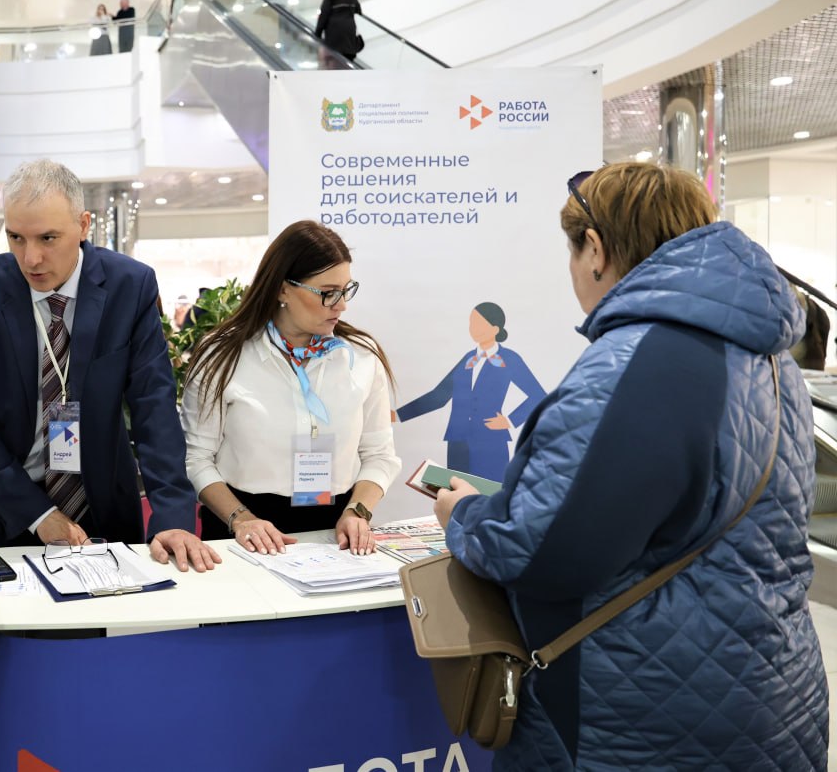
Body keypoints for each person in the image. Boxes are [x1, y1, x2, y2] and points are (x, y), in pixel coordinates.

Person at [433, 163, 828, 769]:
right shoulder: (769, 359)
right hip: (772, 684)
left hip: (644, 714)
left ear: (595, 250)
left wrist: (463, 515)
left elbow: (540, 553)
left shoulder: (634, 364)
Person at [0, 159, 218, 572]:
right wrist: (38, 514)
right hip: (5, 510)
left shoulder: (129, 286)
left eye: (48, 238)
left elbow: (153, 405)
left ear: (83, 225)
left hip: (103, 507)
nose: (30, 258)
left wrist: (173, 517)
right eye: (16, 237)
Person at [182, 220, 400, 555]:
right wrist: (241, 519)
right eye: (328, 292)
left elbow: (379, 455)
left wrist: (358, 511)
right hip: (241, 531)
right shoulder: (222, 356)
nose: (341, 305)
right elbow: (197, 458)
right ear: (283, 289)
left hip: (334, 532)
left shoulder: (361, 356)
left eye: (347, 290)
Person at [396, 302, 546, 482]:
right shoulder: (468, 359)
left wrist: (510, 420)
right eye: (471, 323)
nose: (473, 328)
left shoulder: (509, 359)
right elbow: (439, 396)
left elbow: (538, 396)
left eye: (478, 323)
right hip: (458, 443)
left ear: (495, 329)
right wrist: (398, 415)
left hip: (490, 443)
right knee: (457, 494)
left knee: (490, 493)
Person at [316, 0, 362, 64]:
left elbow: (324, 14)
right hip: (349, 30)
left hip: (334, 32)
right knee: (348, 61)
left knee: (334, 61)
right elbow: (358, 10)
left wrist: (318, 33)